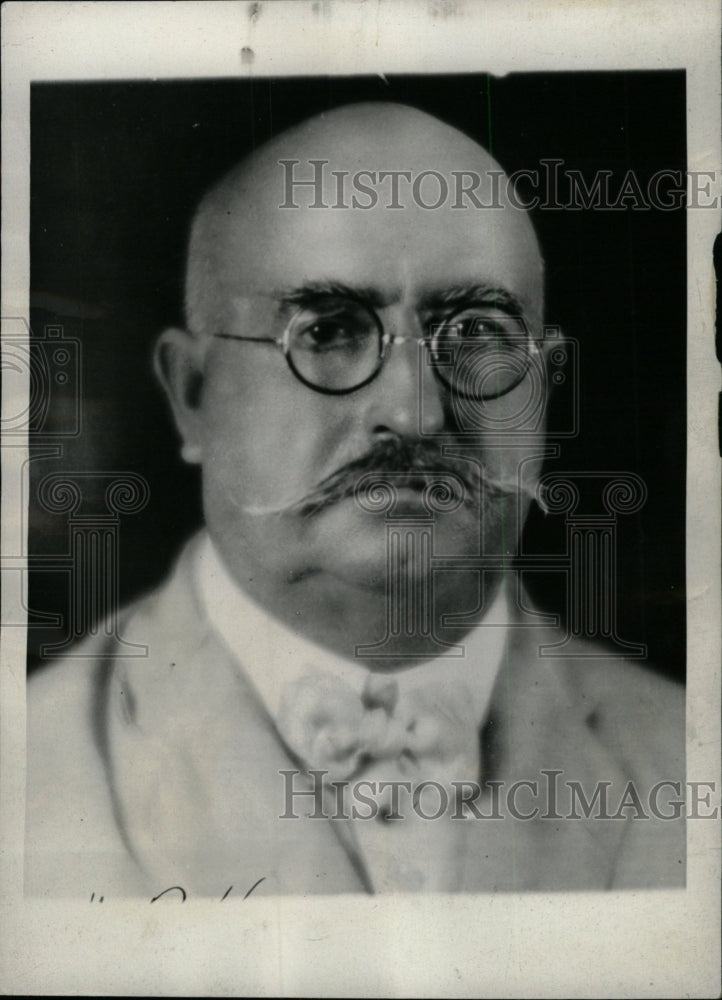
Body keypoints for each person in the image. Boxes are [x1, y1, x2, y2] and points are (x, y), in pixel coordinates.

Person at [26, 102, 684, 897]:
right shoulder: (23, 767)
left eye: (476, 334)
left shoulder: (690, 752)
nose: (413, 413)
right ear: (193, 393)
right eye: (330, 331)